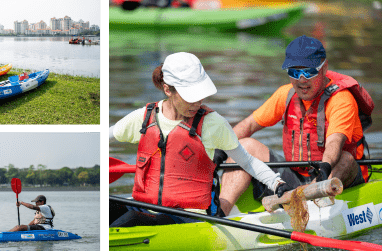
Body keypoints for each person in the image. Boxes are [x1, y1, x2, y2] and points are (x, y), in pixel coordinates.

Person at [109, 52, 291, 217]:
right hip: (145, 207)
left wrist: (276, 183)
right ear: (167, 90)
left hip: (189, 216)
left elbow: (247, 161)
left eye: (200, 94)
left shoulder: (212, 124)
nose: (197, 102)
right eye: (191, 95)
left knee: (131, 219)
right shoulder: (145, 117)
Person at [220, 35, 373, 215]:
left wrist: (324, 170)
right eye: (294, 72)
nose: (301, 80)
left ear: (324, 68)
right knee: (243, 145)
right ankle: (220, 213)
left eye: (308, 72)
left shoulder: (341, 100)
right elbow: (249, 125)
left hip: (331, 174)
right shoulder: (286, 95)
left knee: (346, 158)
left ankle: (312, 205)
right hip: (294, 176)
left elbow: (334, 143)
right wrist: (218, 151)